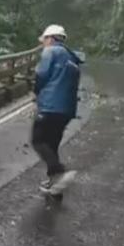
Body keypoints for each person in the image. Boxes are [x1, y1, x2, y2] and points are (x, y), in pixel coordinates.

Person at [32, 24, 82, 196]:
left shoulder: (50, 52)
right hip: (67, 109)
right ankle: (55, 186)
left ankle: (58, 173)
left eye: (44, 40)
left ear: (51, 38)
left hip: (50, 106)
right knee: (52, 144)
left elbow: (41, 75)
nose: (43, 43)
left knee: (38, 140)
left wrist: (37, 92)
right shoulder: (72, 57)